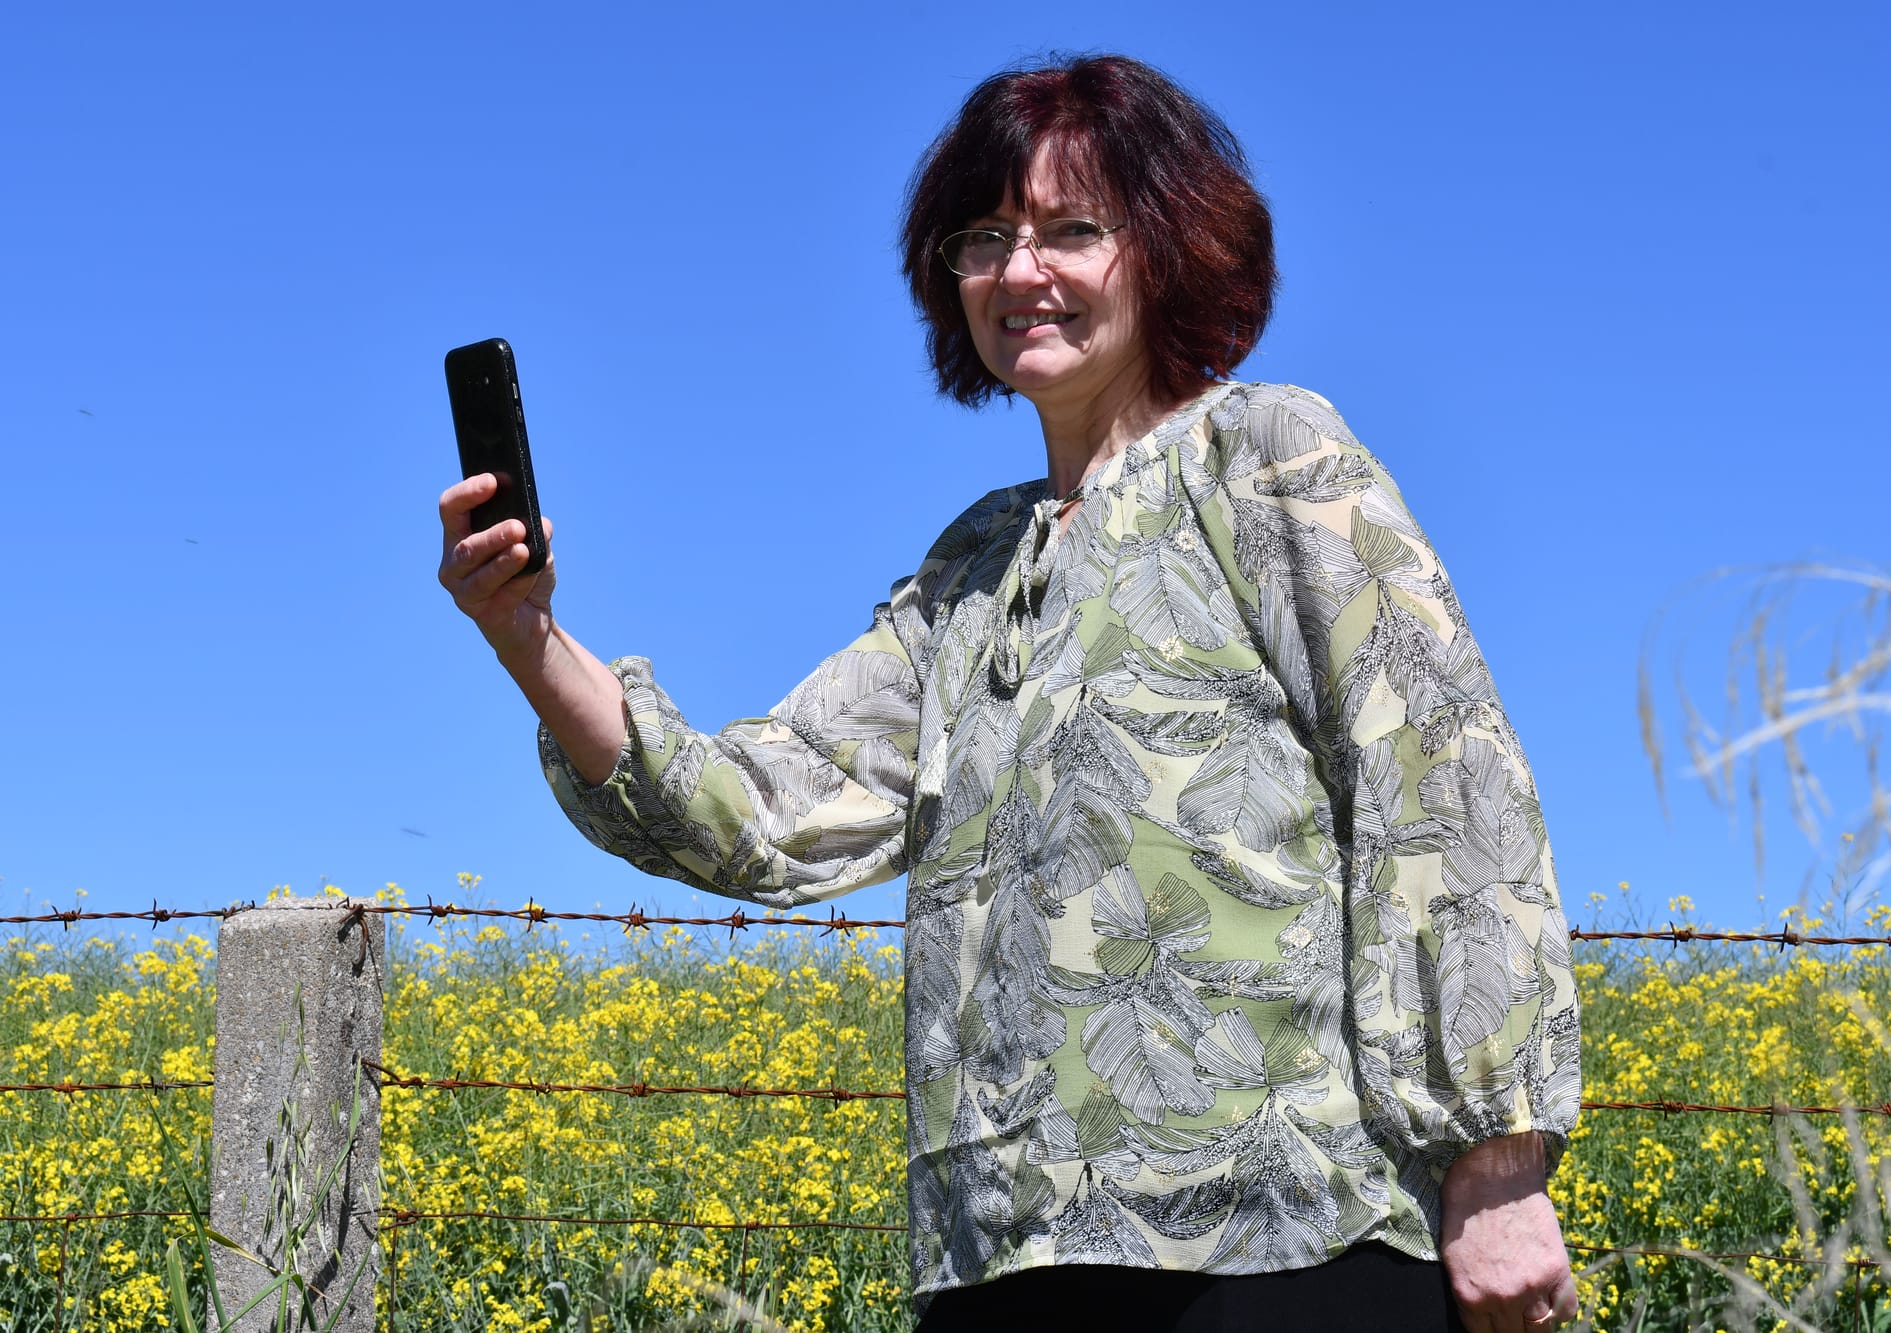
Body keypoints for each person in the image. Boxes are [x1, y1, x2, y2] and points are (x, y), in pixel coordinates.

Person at [438, 53, 1581, 1333]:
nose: (1018, 269)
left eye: (1070, 229)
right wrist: (528, 639)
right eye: (982, 238)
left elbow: (1439, 778)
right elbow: (762, 812)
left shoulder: (1266, 453)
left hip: (1286, 1246)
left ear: (1167, 248)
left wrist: (1494, 1158)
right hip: (1000, 1262)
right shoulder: (970, 568)